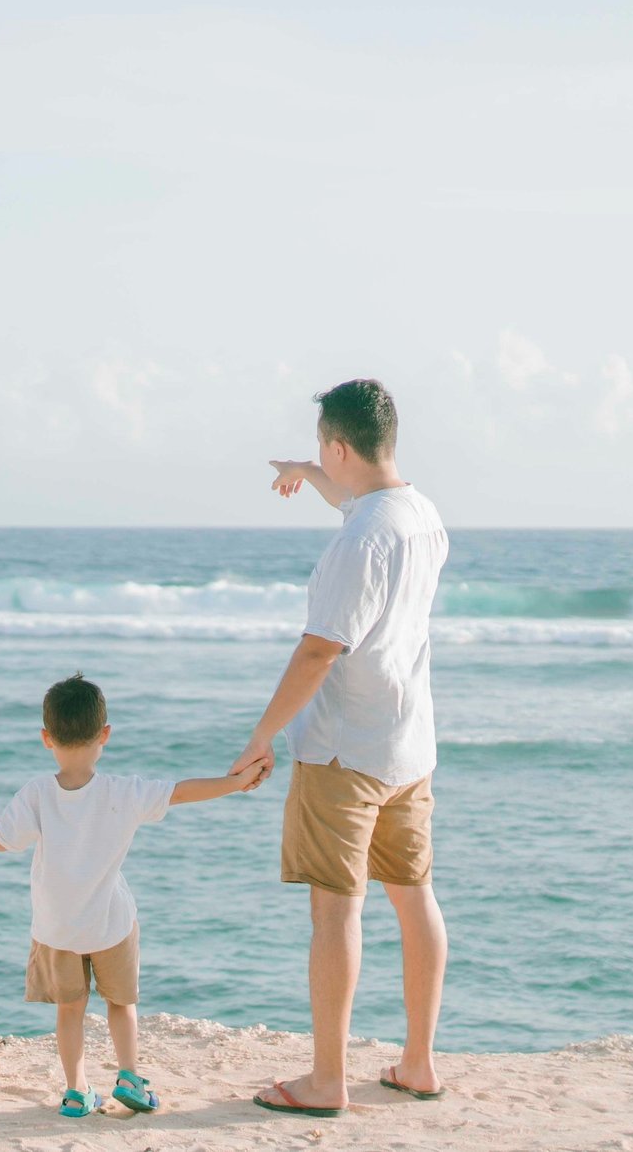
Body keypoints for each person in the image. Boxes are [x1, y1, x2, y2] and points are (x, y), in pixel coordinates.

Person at [231, 379, 451, 1118]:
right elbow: (357, 499)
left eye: (326, 452)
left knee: (336, 912)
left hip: (342, 751)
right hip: (406, 745)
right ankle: (417, 1063)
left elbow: (320, 651)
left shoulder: (358, 541)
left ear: (339, 443)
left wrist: (261, 737)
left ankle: (328, 1081)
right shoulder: (419, 514)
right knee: (413, 897)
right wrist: (310, 471)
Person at [0, 673, 269, 1118]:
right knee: (122, 1004)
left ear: (46, 738)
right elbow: (182, 791)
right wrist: (237, 782)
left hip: (57, 929)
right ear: (104, 734)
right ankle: (128, 1076)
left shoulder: (36, 793)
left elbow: (0, 839)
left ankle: (76, 1091)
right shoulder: (124, 792)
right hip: (110, 923)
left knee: (70, 1010)